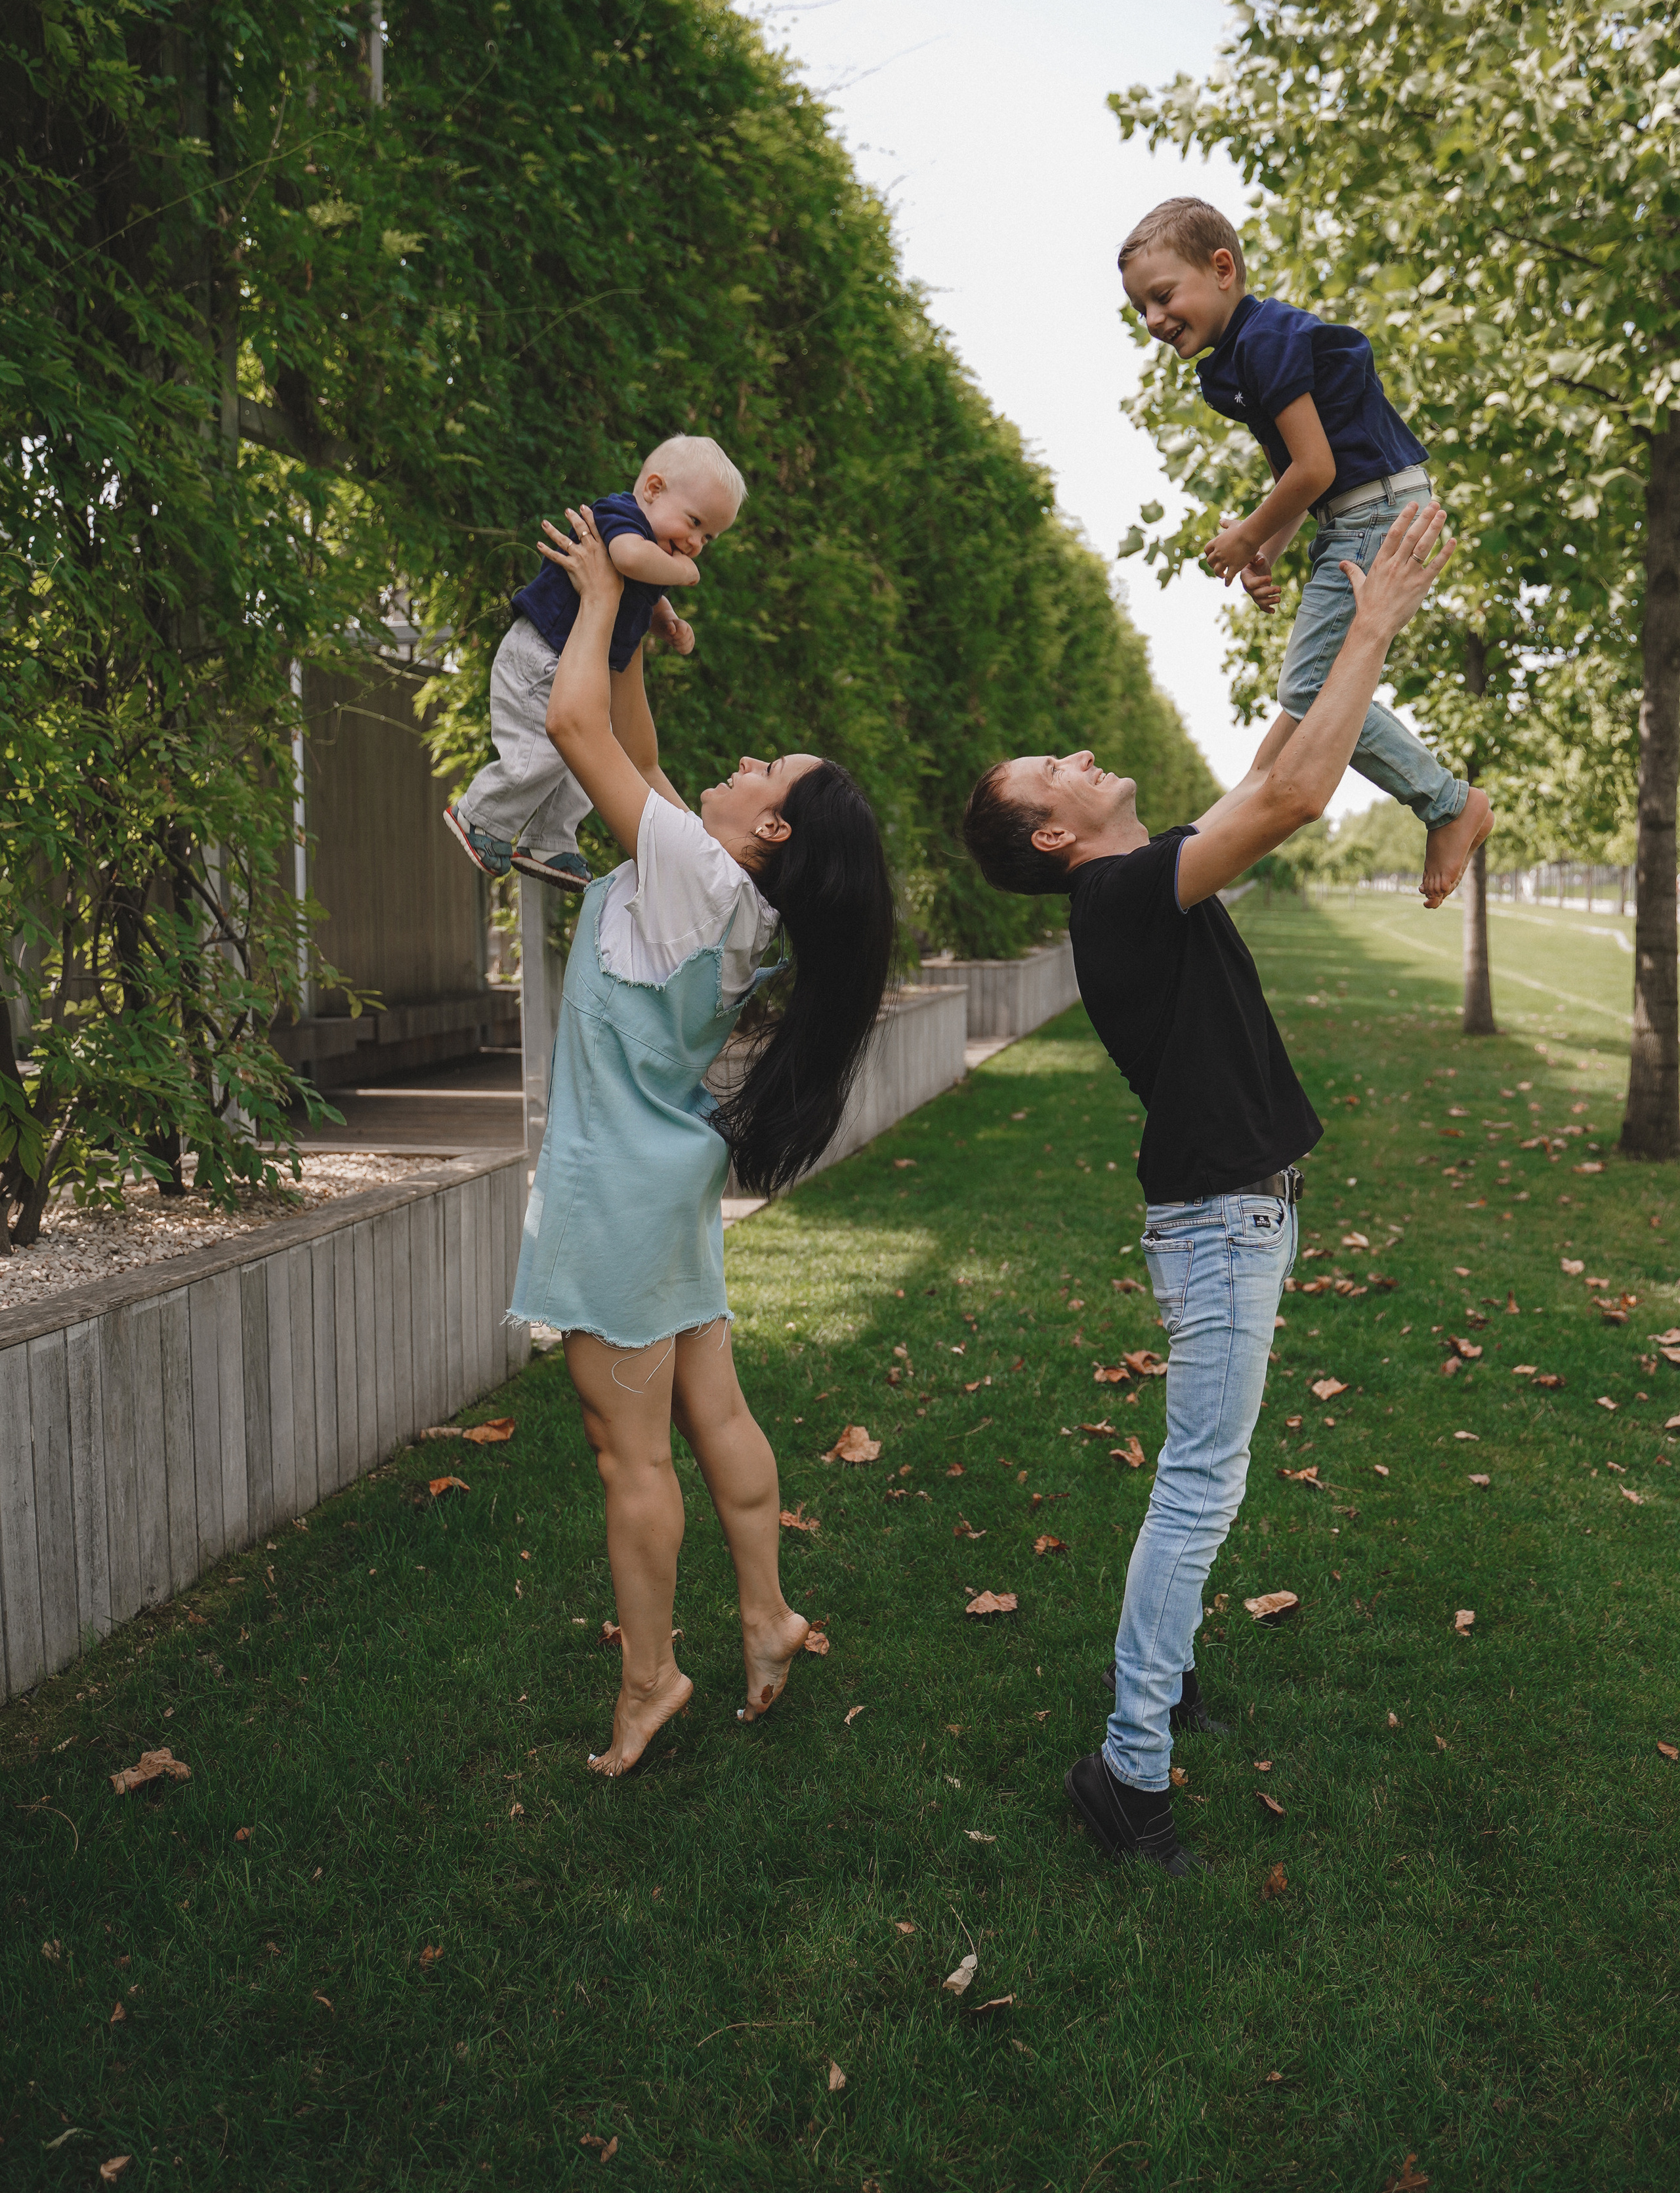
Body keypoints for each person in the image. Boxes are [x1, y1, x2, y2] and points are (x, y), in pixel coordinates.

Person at [961, 498, 1455, 1879]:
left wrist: (1312, 658)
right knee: (1193, 1492)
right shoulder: (1114, 902)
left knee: (1197, 1485)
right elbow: (1296, 797)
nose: (1077, 753)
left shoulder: (1138, 881)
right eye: (1048, 768)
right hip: (1222, 1221)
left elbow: (1271, 772)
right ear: (1054, 838)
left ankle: (1161, 1683)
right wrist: (1369, 622)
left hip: (1232, 1215)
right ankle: (1125, 1769)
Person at [513, 504, 895, 1776]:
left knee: (626, 1450)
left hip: (619, 1192)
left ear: (771, 828)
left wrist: (592, 600)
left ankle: (650, 1679)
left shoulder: (689, 868)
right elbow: (628, 733)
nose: (740, 766)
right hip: (660, 1177)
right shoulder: (720, 886)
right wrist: (628, 640)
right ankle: (766, 1612)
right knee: (708, 1411)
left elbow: (573, 733)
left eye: (765, 772)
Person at [1119, 196, 1492, 907]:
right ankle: (1440, 803)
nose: (1153, 321)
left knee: (1310, 690)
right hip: (1354, 514)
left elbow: (1316, 469)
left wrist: (1246, 534)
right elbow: (1293, 471)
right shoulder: (1226, 368)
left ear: (1222, 268)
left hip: (1375, 511)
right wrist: (1271, 547)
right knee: (1307, 696)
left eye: (1162, 296)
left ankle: (1447, 802)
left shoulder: (1265, 341)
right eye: (1139, 309)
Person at [444, 436, 744, 892]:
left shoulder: (654, 549)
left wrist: (666, 620)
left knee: (589, 760)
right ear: (653, 489)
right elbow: (626, 559)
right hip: (540, 656)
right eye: (695, 523)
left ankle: (549, 841)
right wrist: (683, 572)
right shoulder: (619, 516)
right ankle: (479, 816)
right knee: (539, 756)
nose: (696, 543)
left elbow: (643, 591)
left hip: (577, 671)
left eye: (708, 538)